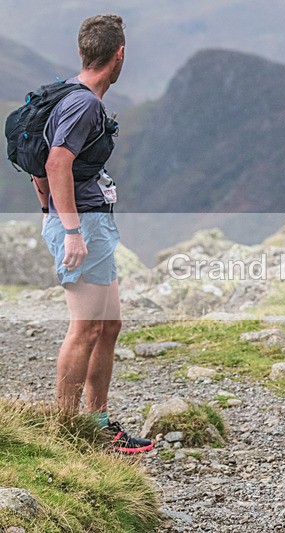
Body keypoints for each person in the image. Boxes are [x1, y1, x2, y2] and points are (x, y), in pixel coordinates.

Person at [32, 14, 152, 454]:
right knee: (85, 329)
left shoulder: (68, 95)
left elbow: (39, 163)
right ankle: (64, 433)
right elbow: (54, 162)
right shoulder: (83, 104)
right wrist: (70, 230)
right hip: (83, 225)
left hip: (86, 221)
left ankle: (98, 422)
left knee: (109, 325)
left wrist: (51, 210)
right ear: (119, 55)